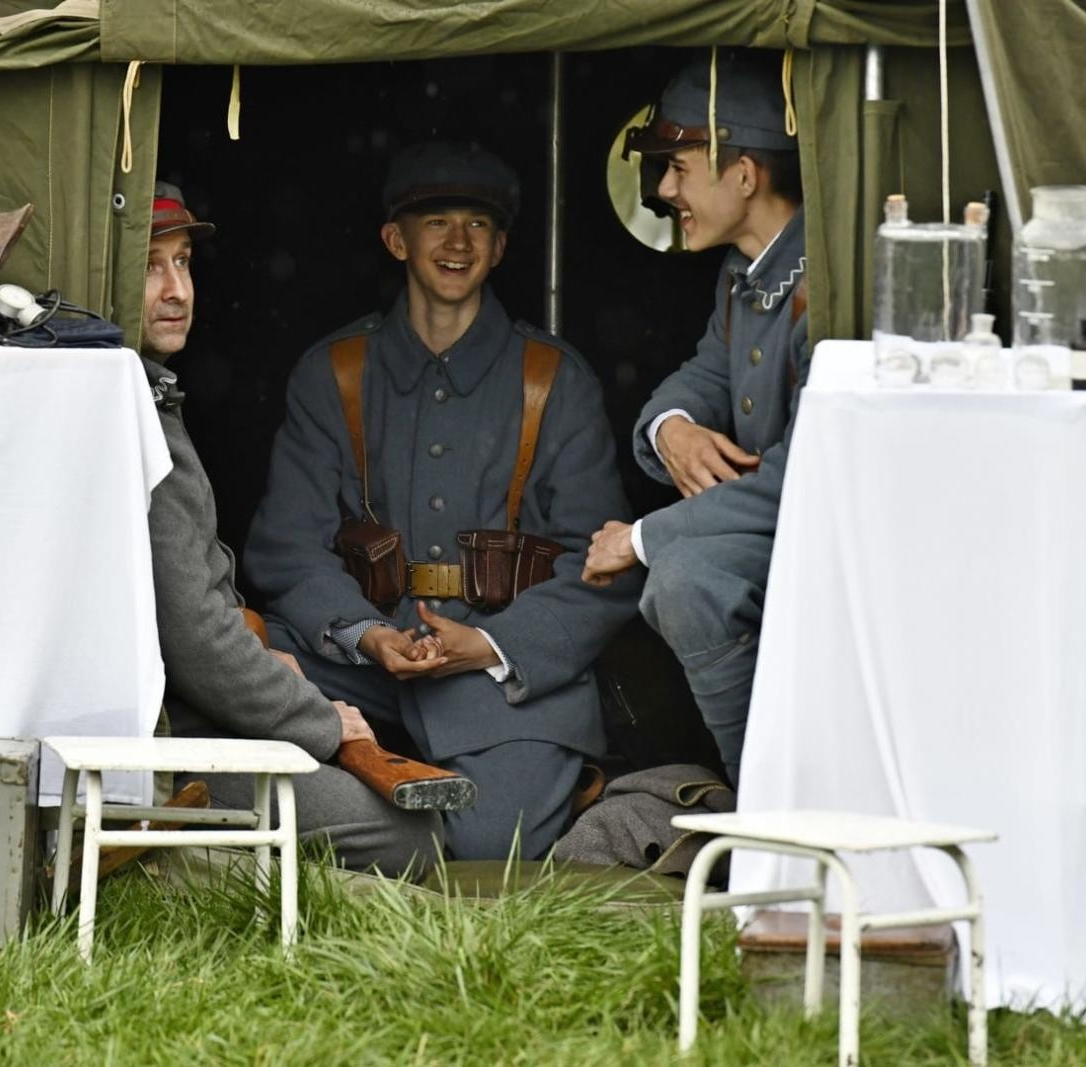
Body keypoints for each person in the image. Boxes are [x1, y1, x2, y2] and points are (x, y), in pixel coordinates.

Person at [244, 144, 642, 861]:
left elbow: (604, 564)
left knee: (487, 840)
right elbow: (286, 547)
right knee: (222, 712)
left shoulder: (554, 380)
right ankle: (387, 802)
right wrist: (368, 633)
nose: (458, 242)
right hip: (359, 663)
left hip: (501, 671)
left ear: (500, 248)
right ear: (396, 239)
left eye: (478, 225)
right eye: (436, 222)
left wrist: (491, 644)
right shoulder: (334, 371)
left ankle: (380, 817)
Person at [137, 181, 440, 878]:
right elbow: (197, 641)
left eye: (183, 262)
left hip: (192, 702)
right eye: (152, 266)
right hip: (166, 729)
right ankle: (179, 876)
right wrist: (323, 724)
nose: (177, 289)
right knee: (406, 838)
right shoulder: (131, 413)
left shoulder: (145, 396)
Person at [581, 51, 809, 788]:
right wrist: (671, 427)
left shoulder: (827, 280)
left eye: (679, 167)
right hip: (776, 524)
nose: (665, 188)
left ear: (744, 174)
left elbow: (806, 475)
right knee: (685, 579)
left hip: (827, 531)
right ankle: (760, 801)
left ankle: (770, 808)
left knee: (680, 577)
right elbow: (701, 379)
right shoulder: (744, 274)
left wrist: (641, 538)